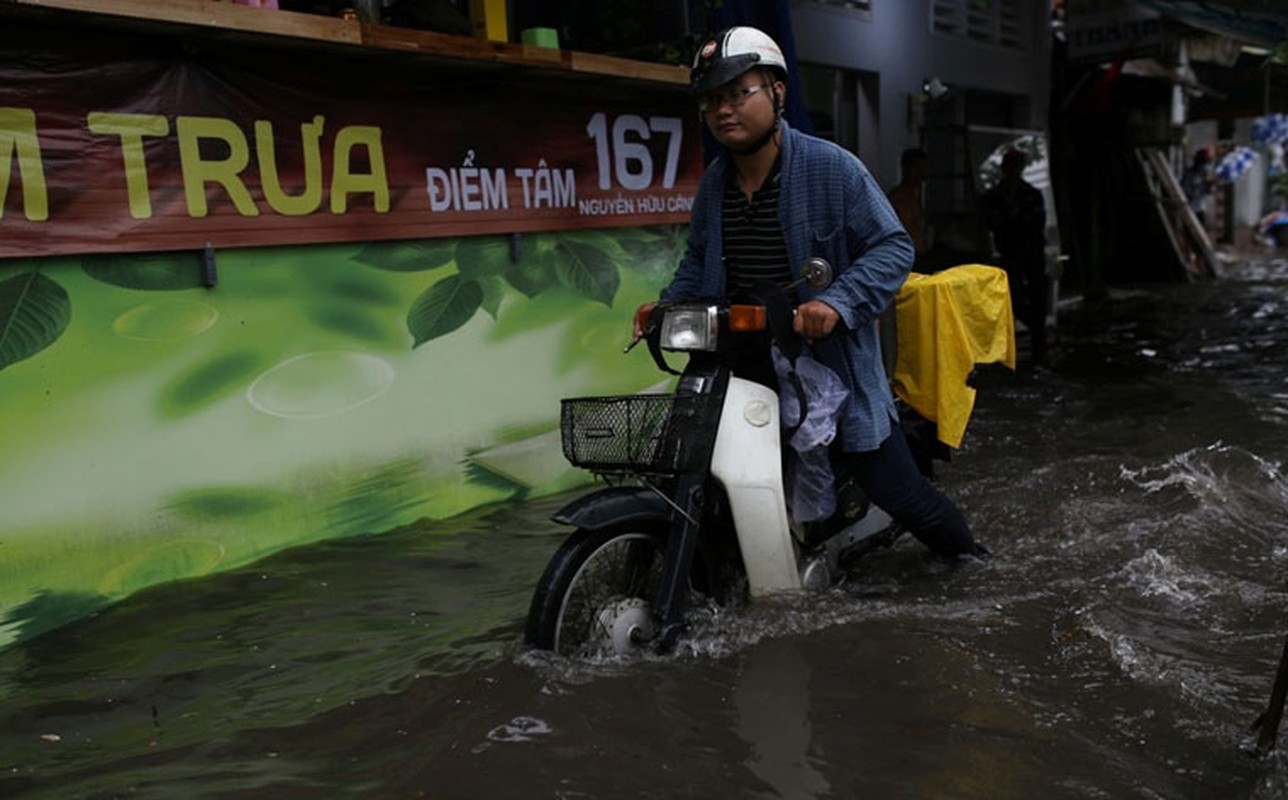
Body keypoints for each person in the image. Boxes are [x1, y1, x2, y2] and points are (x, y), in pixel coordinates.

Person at [635, 26, 987, 561]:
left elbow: (893, 248)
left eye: (737, 93)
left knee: (899, 493)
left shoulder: (834, 167)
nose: (723, 110)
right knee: (697, 469)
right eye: (712, 99)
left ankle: (971, 561)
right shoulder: (714, 183)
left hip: (826, 363)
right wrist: (665, 306)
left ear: (777, 92)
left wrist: (835, 303)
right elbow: (698, 262)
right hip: (739, 358)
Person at [982, 148, 1048, 366]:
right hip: (1009, 254)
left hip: (1031, 253)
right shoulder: (995, 196)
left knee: (1037, 301)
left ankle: (1039, 348)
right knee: (1013, 301)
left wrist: (1017, 219)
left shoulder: (1031, 194)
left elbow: (1037, 223)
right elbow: (991, 222)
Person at [887, 147, 930, 263]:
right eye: (916, 168)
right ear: (905, 168)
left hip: (918, 256)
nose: (921, 173)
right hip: (906, 259)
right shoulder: (898, 198)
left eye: (923, 168)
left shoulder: (914, 196)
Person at [1181, 148, 1213, 229]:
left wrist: (1209, 186)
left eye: (1206, 163)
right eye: (1203, 162)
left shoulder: (1205, 174)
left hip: (1200, 208)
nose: (1205, 165)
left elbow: (1209, 193)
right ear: (1198, 161)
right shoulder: (1189, 174)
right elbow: (1186, 191)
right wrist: (1201, 188)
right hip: (1190, 209)